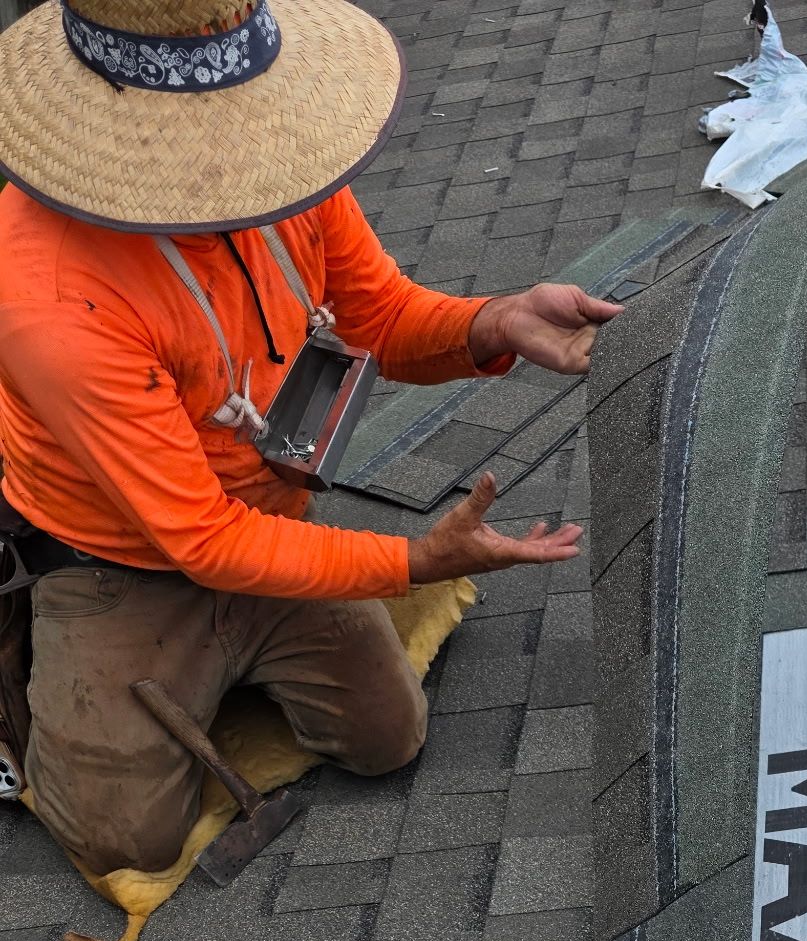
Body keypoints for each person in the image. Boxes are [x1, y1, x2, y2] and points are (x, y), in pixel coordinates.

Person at [0, 0, 621, 872]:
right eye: (223, 119)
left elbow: (382, 318)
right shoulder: (50, 297)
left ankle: (210, 672)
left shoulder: (274, 167)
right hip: (116, 566)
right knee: (124, 842)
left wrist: (496, 321)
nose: (259, 138)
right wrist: (412, 562)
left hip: (262, 523)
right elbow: (201, 539)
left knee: (387, 738)